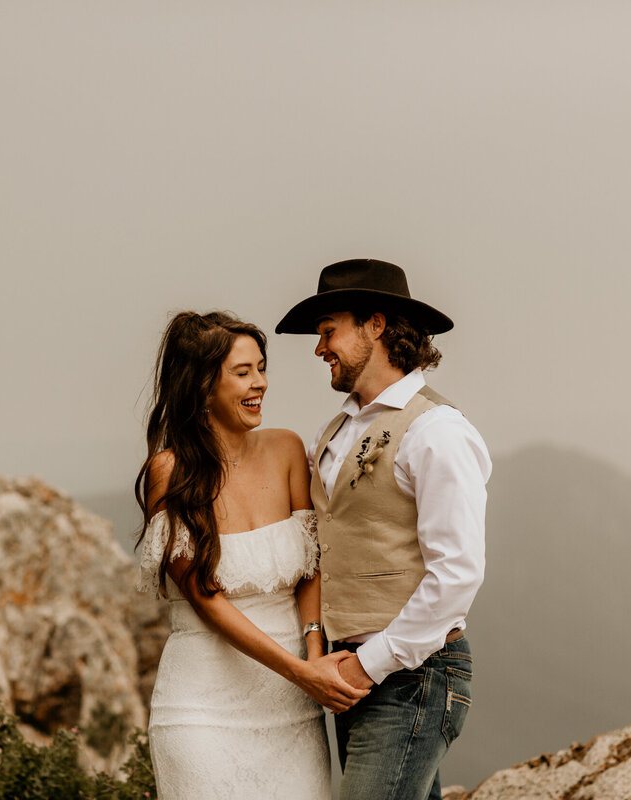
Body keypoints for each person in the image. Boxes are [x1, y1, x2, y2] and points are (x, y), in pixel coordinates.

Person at [275, 259, 492, 800]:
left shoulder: (436, 431)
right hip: (351, 675)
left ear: (376, 325)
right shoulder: (339, 428)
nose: (319, 347)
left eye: (329, 331)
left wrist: (368, 666)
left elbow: (457, 573)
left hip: (410, 675)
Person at [135, 311, 368, 800]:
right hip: (202, 712)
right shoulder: (169, 471)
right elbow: (205, 598)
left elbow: (311, 566)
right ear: (201, 386)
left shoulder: (286, 449)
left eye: (261, 368)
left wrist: (314, 649)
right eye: (243, 372)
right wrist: (301, 672)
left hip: (292, 706)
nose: (259, 383)